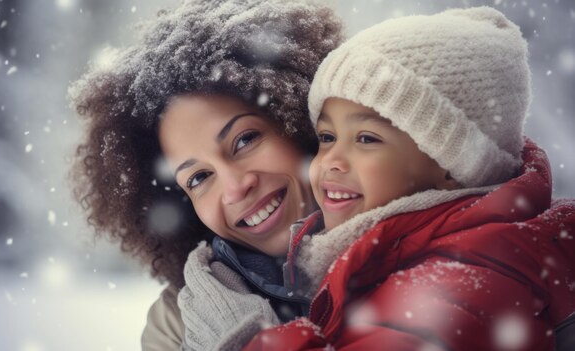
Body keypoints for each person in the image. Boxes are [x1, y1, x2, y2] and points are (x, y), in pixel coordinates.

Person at [181, 7, 575, 350]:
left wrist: (245, 337)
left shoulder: (459, 280)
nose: (331, 160)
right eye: (327, 137)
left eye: (366, 139)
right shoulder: (402, 254)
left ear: (451, 166)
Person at [68, 0, 342, 350]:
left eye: (245, 140)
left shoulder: (416, 231)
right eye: (198, 178)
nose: (235, 186)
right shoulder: (178, 325)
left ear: (299, 120)